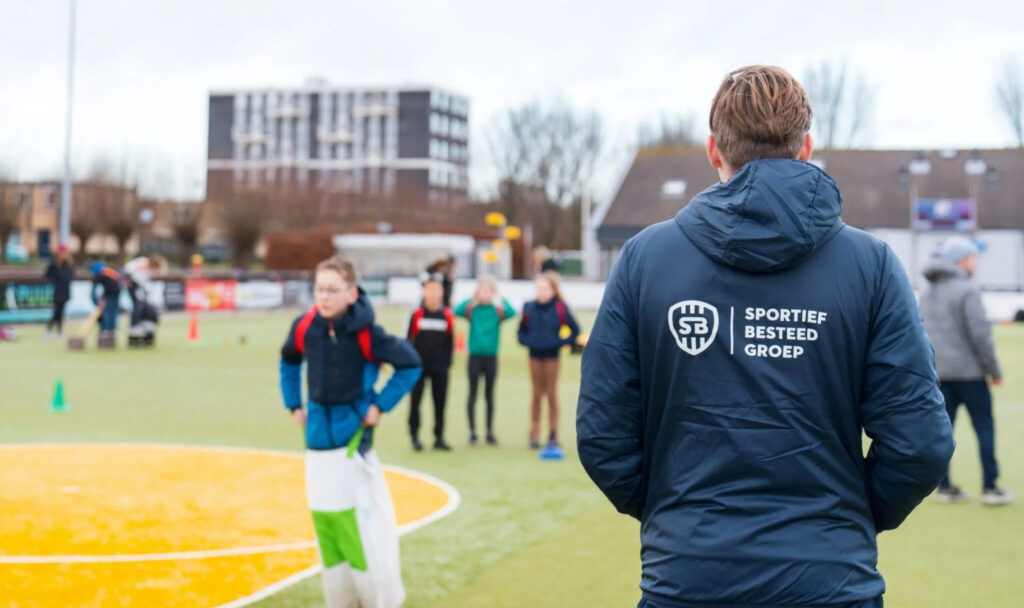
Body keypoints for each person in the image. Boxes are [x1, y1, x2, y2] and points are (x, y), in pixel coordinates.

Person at [577, 66, 954, 608]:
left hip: (689, 577)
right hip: (830, 579)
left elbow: (602, 434)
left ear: (713, 151)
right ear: (806, 148)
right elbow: (921, 443)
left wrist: (677, 516)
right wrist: (848, 518)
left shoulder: (643, 258)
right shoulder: (871, 265)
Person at [279, 256, 421, 607]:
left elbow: (410, 364)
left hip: (352, 447)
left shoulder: (367, 334)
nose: (324, 297)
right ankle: (341, 599)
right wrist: (293, 403)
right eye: (319, 289)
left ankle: (375, 599)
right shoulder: (305, 327)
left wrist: (379, 405)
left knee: (359, 531)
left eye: (332, 290)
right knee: (326, 526)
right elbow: (289, 359)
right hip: (315, 445)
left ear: (352, 293)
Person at [920, 237, 1010, 505]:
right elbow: (981, 335)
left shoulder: (927, 292)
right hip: (969, 374)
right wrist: (994, 370)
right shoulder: (967, 290)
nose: (976, 262)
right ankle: (990, 487)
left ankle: (944, 486)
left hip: (938, 374)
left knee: (942, 432)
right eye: (973, 257)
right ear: (961, 260)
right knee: (984, 427)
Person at [517, 271, 579, 449]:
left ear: (552, 290)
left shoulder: (560, 307)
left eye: (545, 289)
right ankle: (534, 433)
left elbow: (575, 330)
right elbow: (521, 332)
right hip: (534, 356)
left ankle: (553, 433)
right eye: (538, 288)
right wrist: (529, 342)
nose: (541, 292)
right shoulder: (529, 307)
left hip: (552, 357)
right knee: (536, 394)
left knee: (551, 394)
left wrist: (559, 343)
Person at [454, 276, 516, 446]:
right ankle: (472, 432)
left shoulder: (497, 311)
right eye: (483, 290)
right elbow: (455, 310)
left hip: (491, 357)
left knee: (489, 395)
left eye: (489, 290)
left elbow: (512, 311)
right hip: (474, 356)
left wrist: (499, 297)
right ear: (477, 292)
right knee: (473, 394)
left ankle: (489, 431)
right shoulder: (471, 309)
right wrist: (473, 298)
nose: (486, 294)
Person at [406, 272, 456, 451]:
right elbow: (407, 340)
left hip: (440, 368)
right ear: (423, 292)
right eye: (430, 290)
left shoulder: (447, 315)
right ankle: (414, 436)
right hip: (418, 367)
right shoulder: (416, 314)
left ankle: (439, 437)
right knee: (416, 402)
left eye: (437, 289)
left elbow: (450, 342)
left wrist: (447, 364)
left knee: (440, 403)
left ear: (442, 292)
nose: (434, 293)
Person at [44, 245, 73, 338]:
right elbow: (47, 275)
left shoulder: (68, 265)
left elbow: (70, 275)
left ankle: (59, 331)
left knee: (61, 312)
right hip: (57, 291)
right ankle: (49, 329)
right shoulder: (53, 264)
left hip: (65, 291)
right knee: (57, 312)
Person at [89, 261, 121, 340]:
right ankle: (112, 329)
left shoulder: (100, 274)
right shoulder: (109, 271)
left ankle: (106, 330)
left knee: (108, 311)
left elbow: (95, 290)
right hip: (116, 292)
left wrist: (97, 301)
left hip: (111, 294)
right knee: (113, 311)